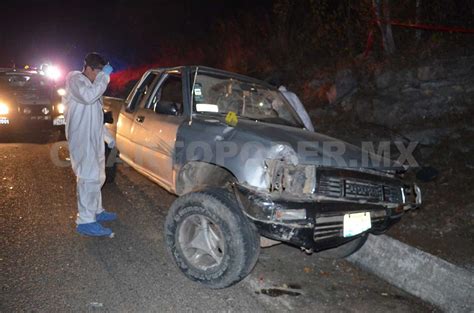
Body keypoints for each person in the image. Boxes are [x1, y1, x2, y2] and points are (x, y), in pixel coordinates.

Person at [64, 52, 117, 237]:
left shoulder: (93, 85)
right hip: (82, 139)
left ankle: (96, 210)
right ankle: (85, 221)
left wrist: (108, 137)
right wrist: (104, 77)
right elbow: (88, 97)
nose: (100, 77)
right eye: (98, 72)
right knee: (88, 178)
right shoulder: (75, 80)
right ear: (89, 68)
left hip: (94, 138)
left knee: (98, 176)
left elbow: (96, 115)